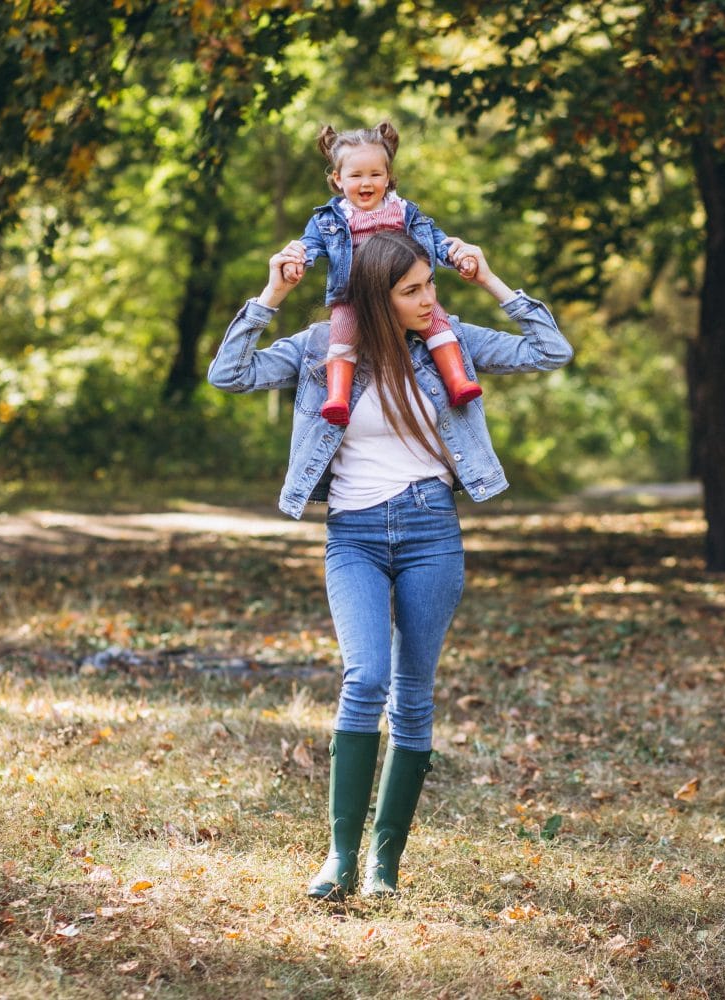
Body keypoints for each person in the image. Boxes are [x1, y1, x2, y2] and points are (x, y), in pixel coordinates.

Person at [207, 229, 572, 900]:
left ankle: (384, 864)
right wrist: (271, 294)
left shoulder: (449, 339)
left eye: (430, 284)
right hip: (354, 536)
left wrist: (490, 280)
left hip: (431, 531)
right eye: (412, 291)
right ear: (378, 297)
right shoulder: (321, 347)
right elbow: (229, 374)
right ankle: (339, 857)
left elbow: (551, 350)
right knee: (365, 675)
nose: (429, 300)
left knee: (412, 696)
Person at [281, 121, 482, 426]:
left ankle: (457, 380)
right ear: (338, 179)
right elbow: (309, 246)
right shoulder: (330, 220)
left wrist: (457, 257)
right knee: (341, 334)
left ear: (388, 178)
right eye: (356, 175)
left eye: (375, 174)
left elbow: (437, 240)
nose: (367, 183)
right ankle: (337, 397)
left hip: (402, 294)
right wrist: (297, 261)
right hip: (353, 294)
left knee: (437, 323)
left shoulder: (404, 211)